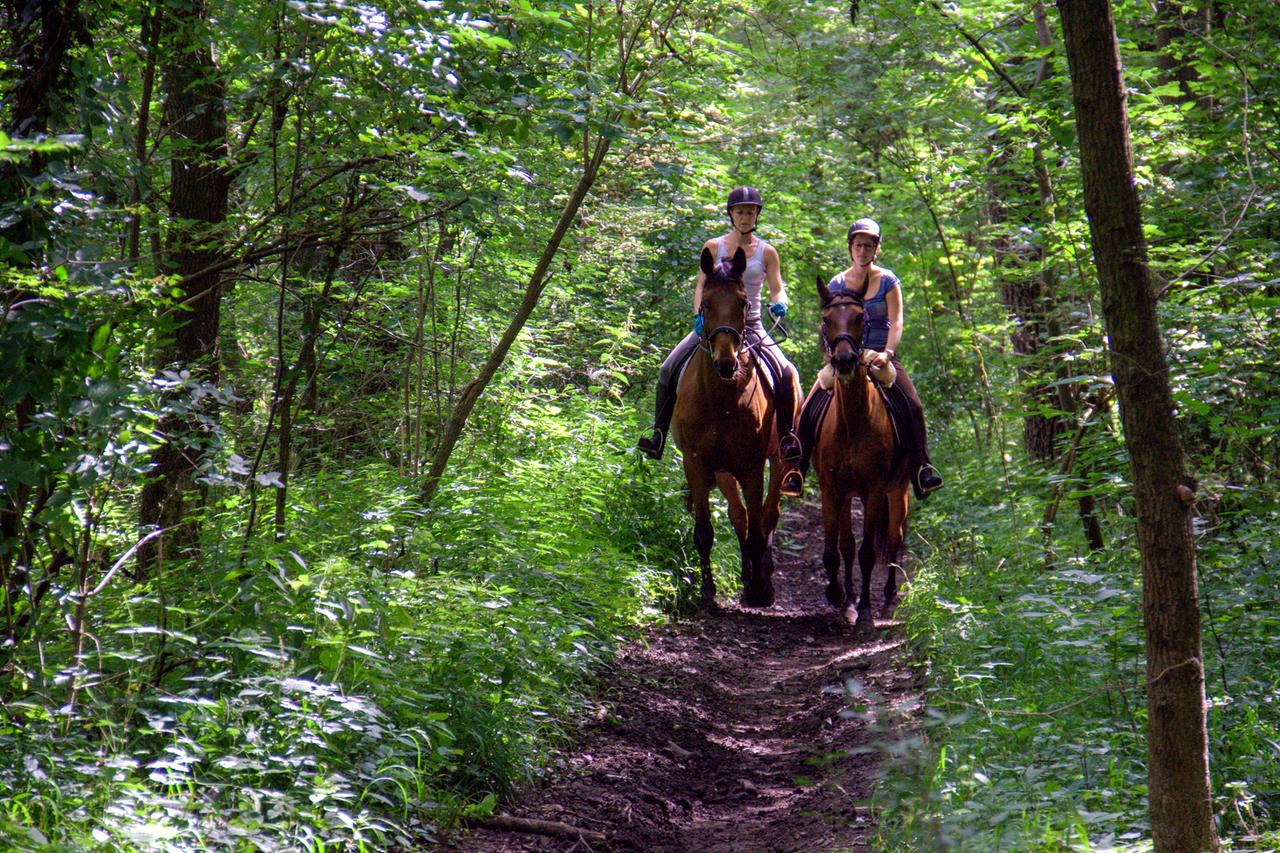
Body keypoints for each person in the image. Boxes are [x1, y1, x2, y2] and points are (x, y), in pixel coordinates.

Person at [637, 186, 805, 495]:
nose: (745, 217)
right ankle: (658, 433)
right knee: (667, 368)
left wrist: (780, 302)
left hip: (749, 325)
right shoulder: (714, 247)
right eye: (740, 212)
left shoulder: (767, 252)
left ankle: (787, 439)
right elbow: (702, 286)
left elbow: (777, 286)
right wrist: (699, 316)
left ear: (757, 216)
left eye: (750, 212)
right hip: (712, 325)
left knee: (785, 372)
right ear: (731, 215)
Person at [798, 217, 943, 498]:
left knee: (912, 405)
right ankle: (798, 469)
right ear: (850, 247)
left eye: (868, 245)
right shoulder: (837, 282)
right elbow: (828, 325)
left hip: (879, 355)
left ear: (876, 248)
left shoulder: (888, 281)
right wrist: (831, 355)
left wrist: (888, 353)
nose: (862, 251)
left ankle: (921, 468)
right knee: (809, 405)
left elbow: (897, 321)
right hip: (843, 355)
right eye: (858, 245)